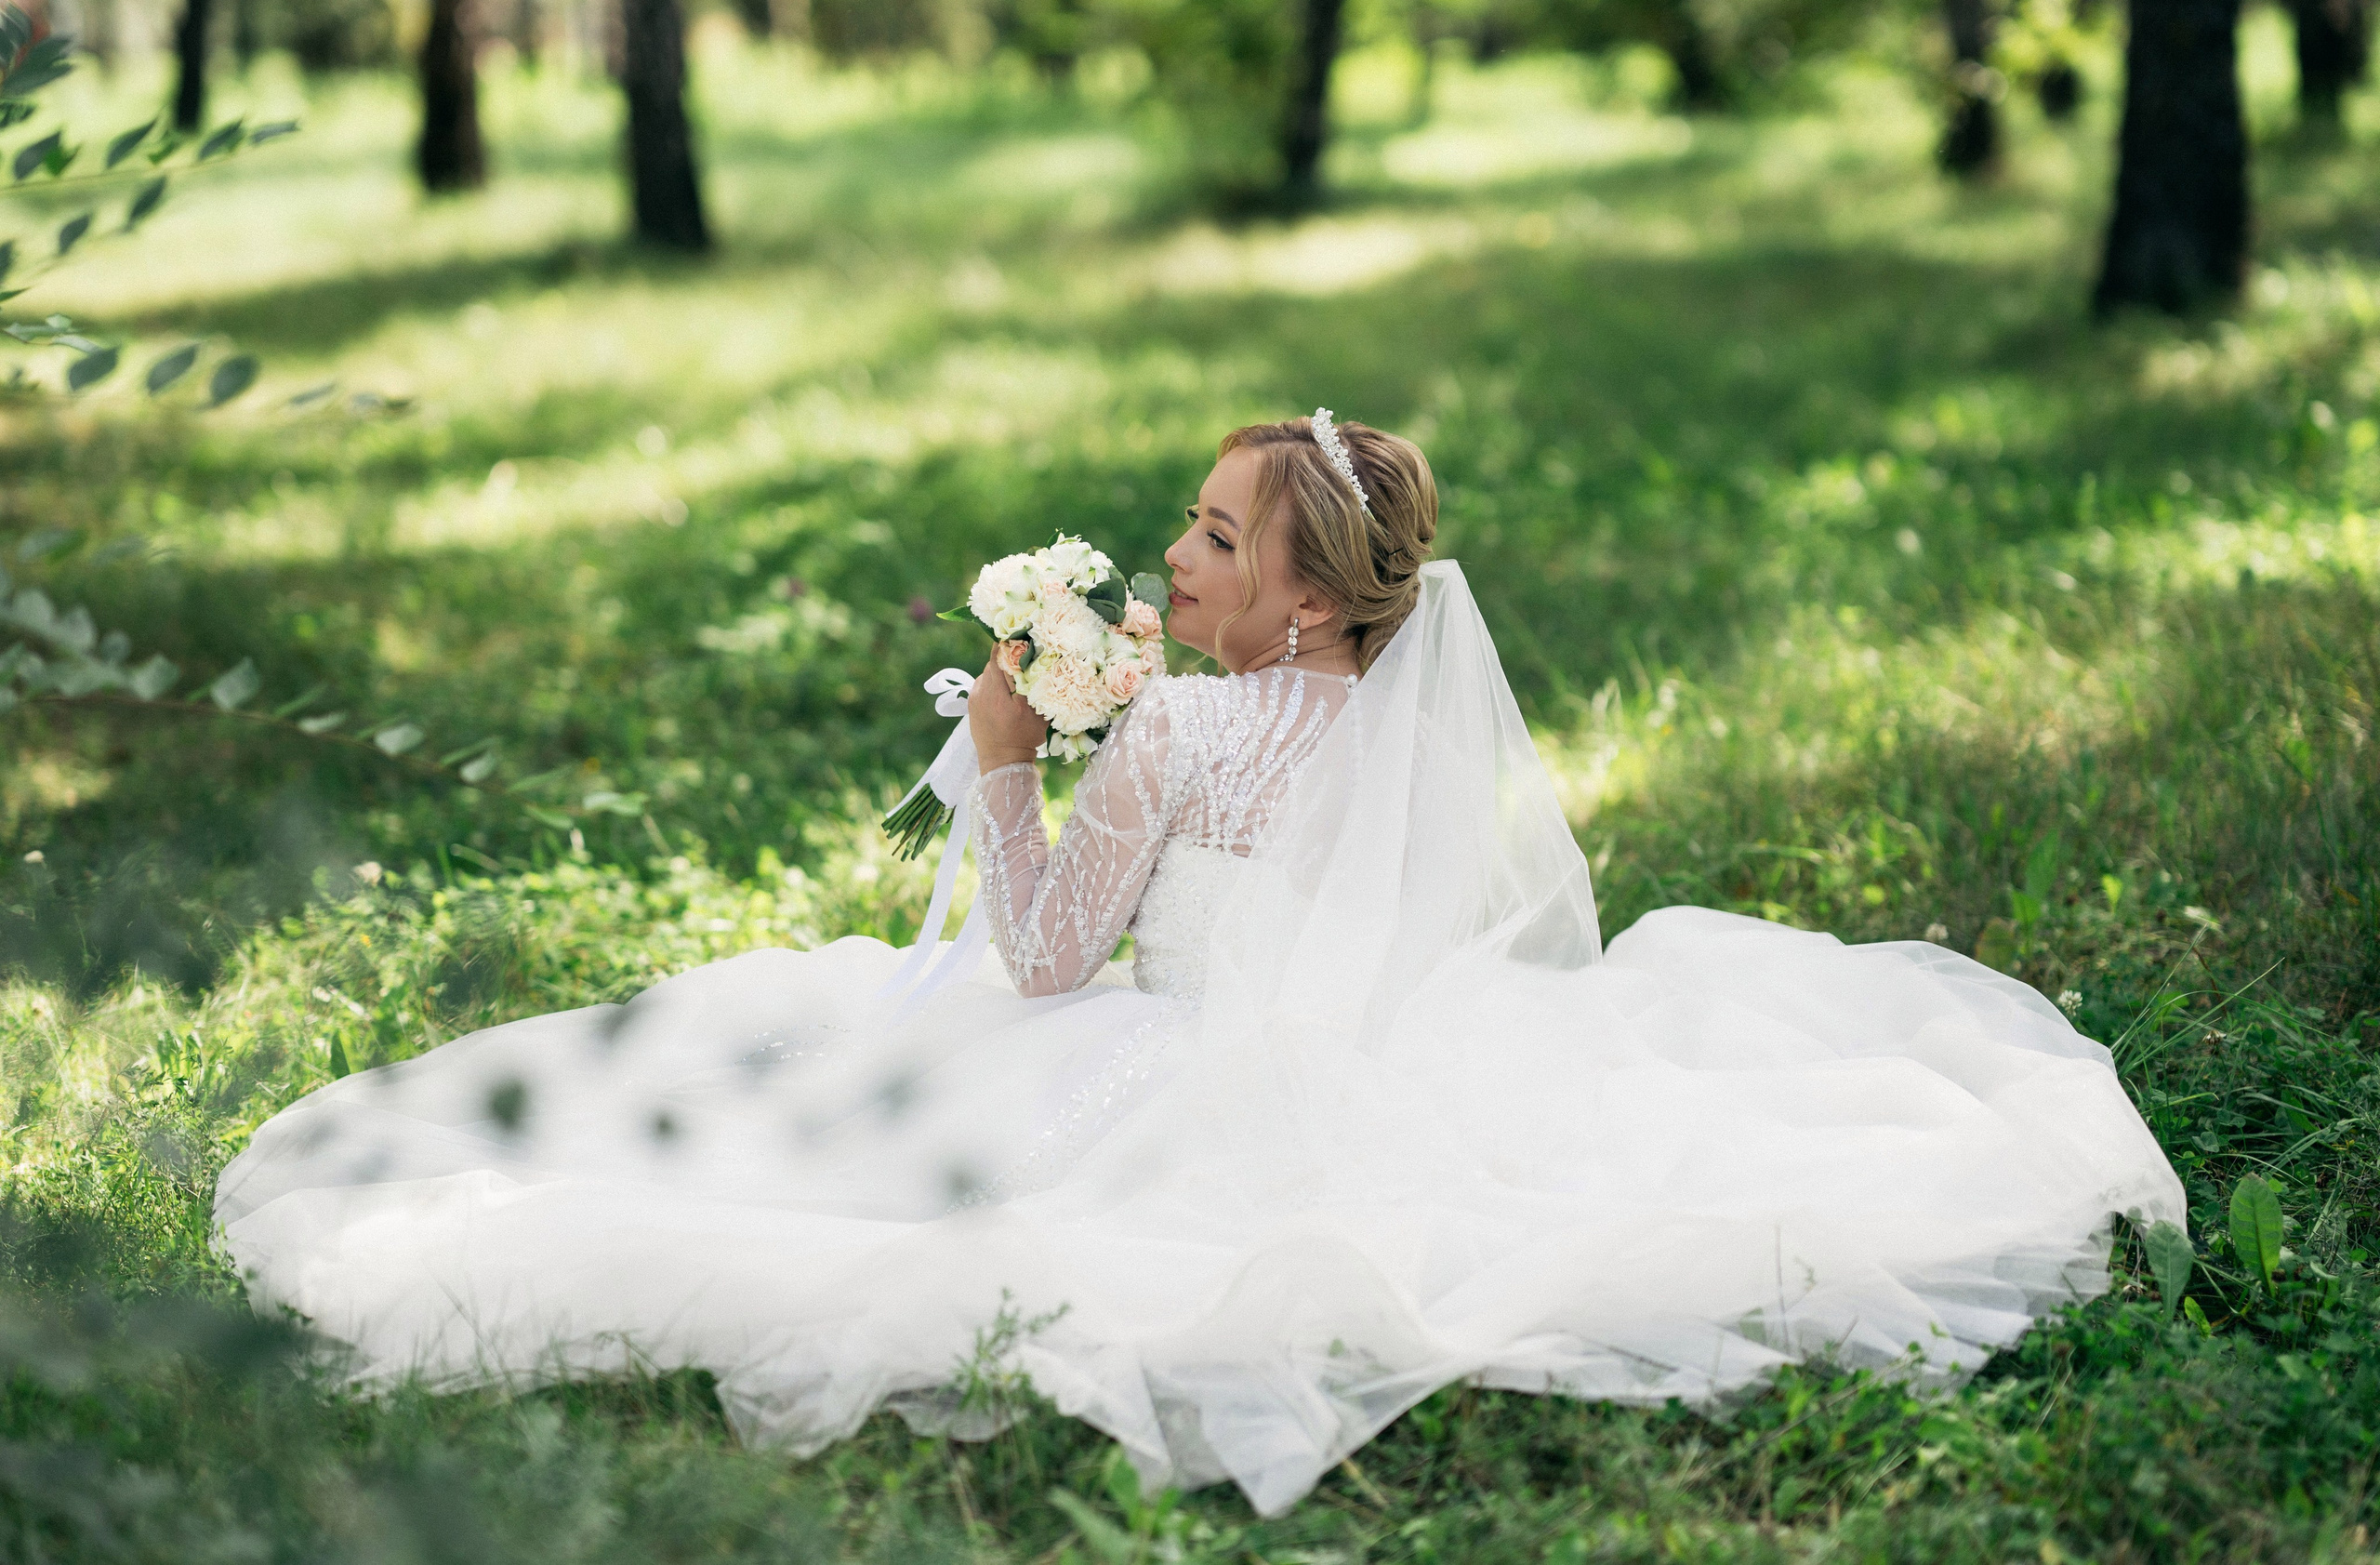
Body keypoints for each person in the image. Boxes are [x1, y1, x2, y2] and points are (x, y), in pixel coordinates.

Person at [215, 412, 2185, 1518]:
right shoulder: (1400, 741)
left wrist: (1009, 763)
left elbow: (1049, 961)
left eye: (1216, 537)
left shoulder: (1176, 730)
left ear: (1305, 595)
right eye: (1189, 518)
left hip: (1169, 1066)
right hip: (1418, 1058)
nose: (1174, 553)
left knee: (845, 1131)